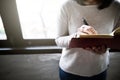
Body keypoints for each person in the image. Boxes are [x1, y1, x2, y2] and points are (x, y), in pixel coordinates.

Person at [55, 0, 120, 80]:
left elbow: (115, 38)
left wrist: (105, 48)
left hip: (99, 69)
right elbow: (58, 40)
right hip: (70, 71)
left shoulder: (116, 7)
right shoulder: (67, 6)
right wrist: (76, 37)